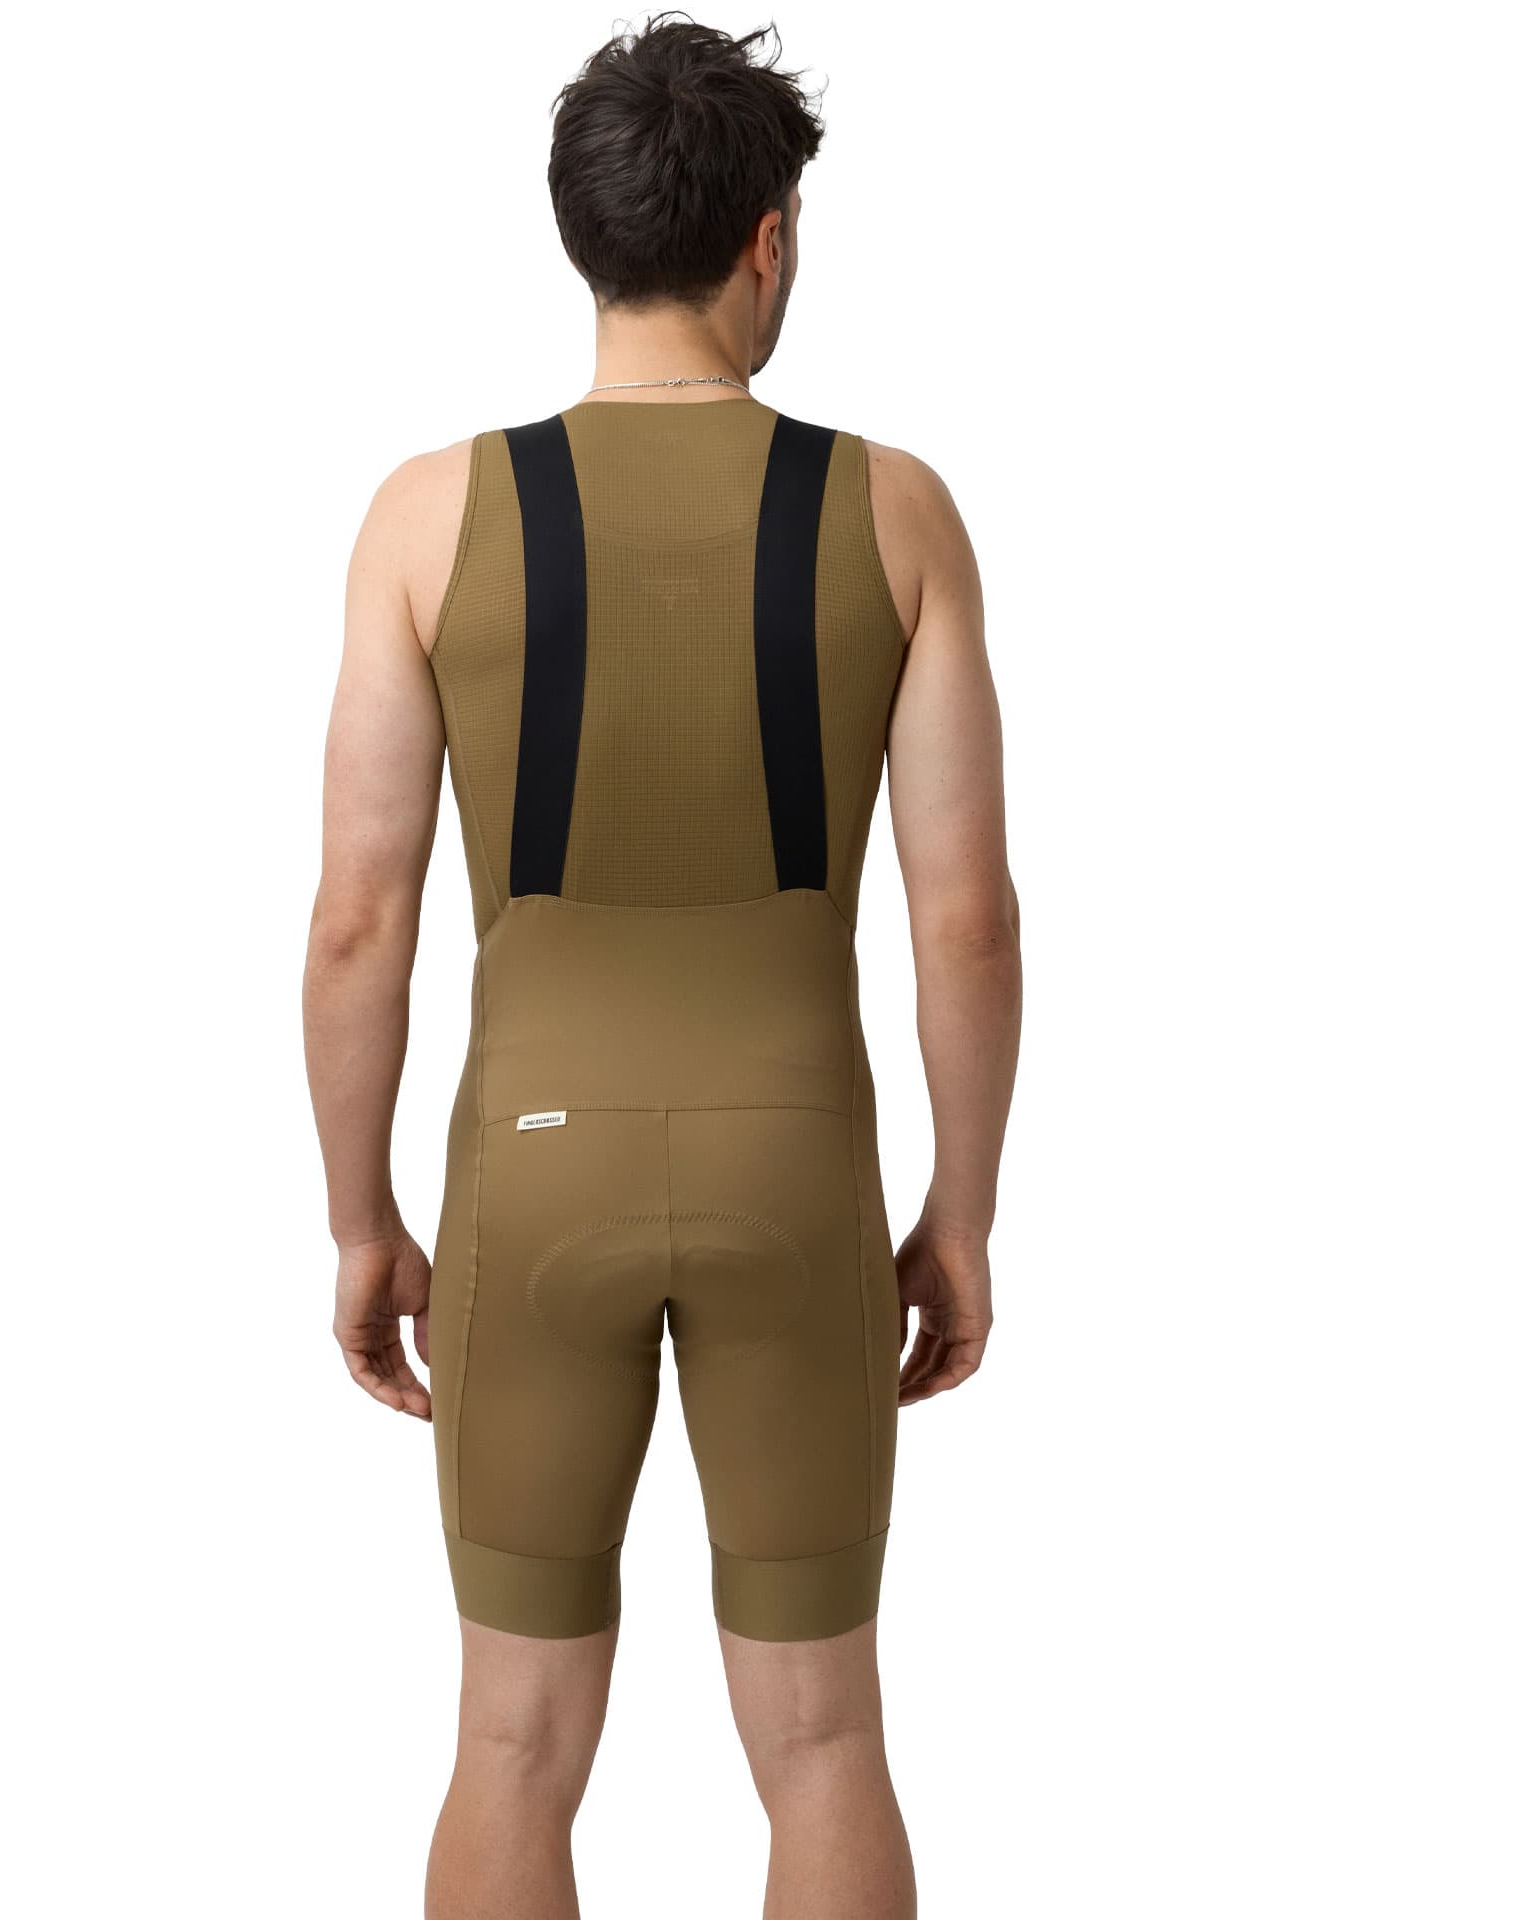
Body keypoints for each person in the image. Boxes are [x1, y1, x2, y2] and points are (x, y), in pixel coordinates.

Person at [302, 16, 1020, 1917]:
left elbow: (360, 915)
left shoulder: (428, 516)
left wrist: (361, 1222)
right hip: (801, 1162)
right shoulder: (896, 510)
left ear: (583, 234)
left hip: (530, 1172)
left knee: (511, 1751)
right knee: (827, 1744)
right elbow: (964, 916)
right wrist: (960, 1211)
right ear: (768, 240)